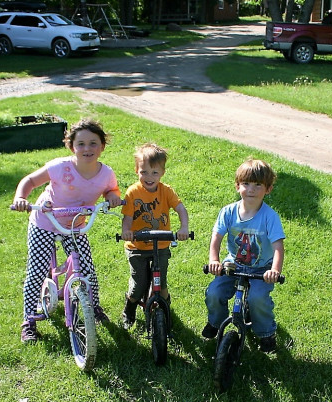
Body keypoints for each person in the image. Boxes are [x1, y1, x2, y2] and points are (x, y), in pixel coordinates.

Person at [11, 118, 122, 342]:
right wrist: (21, 198)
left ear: (102, 146)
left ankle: (94, 308)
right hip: (45, 220)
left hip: (75, 225)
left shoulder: (105, 173)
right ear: (71, 147)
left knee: (87, 269)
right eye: (80, 144)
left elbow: (112, 190)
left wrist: (111, 198)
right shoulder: (61, 167)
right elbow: (31, 180)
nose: (87, 149)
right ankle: (29, 321)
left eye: (93, 143)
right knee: (37, 271)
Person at [203, 158, 285, 353]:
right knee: (214, 292)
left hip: (261, 267)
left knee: (257, 298)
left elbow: (278, 248)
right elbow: (216, 238)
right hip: (233, 264)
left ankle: (266, 333)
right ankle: (216, 322)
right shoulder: (228, 212)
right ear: (238, 186)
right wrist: (214, 260)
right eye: (246, 184)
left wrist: (274, 270)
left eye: (258, 185)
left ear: (268, 189)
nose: (251, 189)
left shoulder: (269, 217)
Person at [119, 143, 190, 330]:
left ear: (162, 173)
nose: (149, 178)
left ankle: (165, 309)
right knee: (139, 284)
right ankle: (130, 309)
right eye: (144, 172)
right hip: (137, 248)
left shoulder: (166, 191)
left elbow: (181, 209)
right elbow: (127, 217)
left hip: (161, 245)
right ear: (136, 170)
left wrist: (184, 227)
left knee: (161, 282)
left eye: (154, 173)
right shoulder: (133, 192)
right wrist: (127, 231)